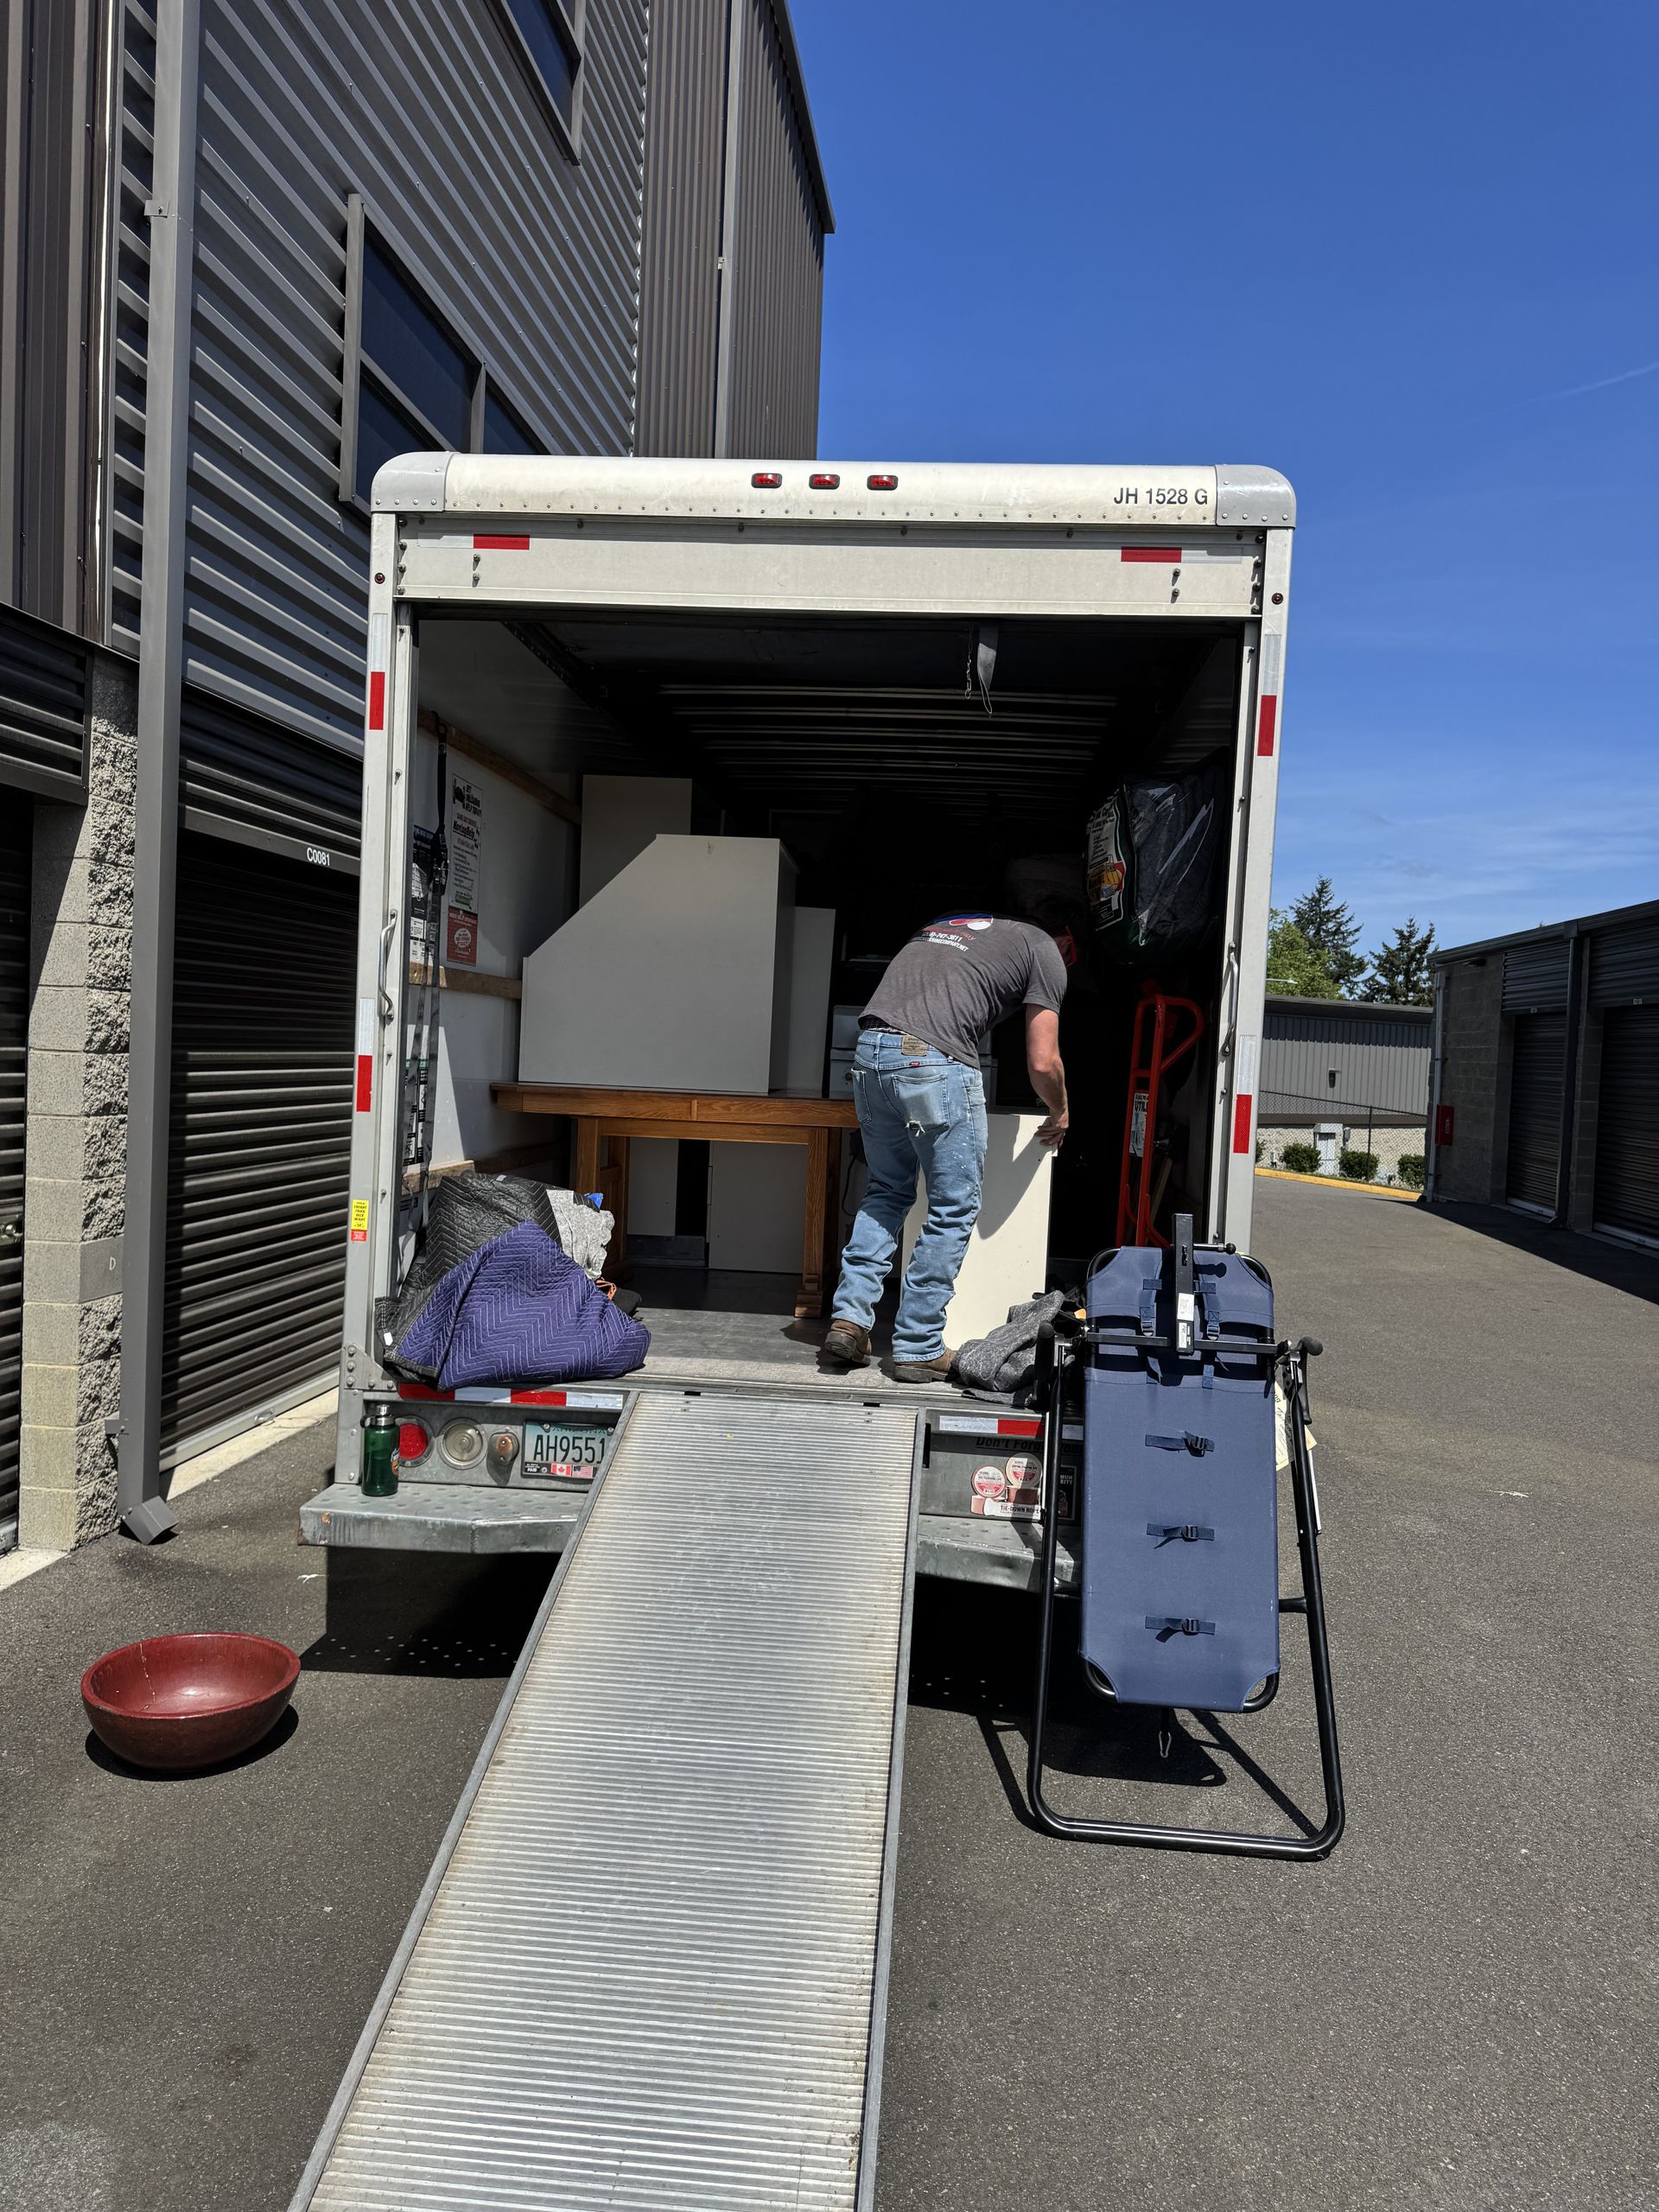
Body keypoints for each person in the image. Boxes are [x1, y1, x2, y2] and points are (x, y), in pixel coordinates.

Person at [823, 912, 1070, 1382]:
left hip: (870, 1051)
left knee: (886, 1191)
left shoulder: (951, 928)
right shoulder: (1044, 949)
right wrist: (1060, 1111)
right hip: (933, 1062)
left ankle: (850, 1320)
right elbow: (1043, 1061)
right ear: (1066, 939)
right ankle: (917, 1344)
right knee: (953, 1207)